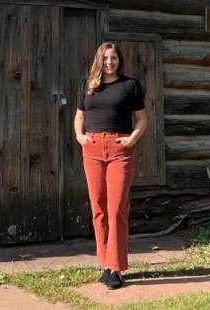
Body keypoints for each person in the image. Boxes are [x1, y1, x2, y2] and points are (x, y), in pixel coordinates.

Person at [74, 41, 147, 290]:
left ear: (119, 60)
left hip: (119, 149)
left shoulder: (130, 86)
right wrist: (80, 136)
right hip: (92, 148)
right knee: (98, 208)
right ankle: (105, 263)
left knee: (116, 208)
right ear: (99, 60)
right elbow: (79, 116)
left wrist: (130, 141)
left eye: (113, 58)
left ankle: (115, 267)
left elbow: (141, 120)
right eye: (105, 58)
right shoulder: (87, 85)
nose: (109, 62)